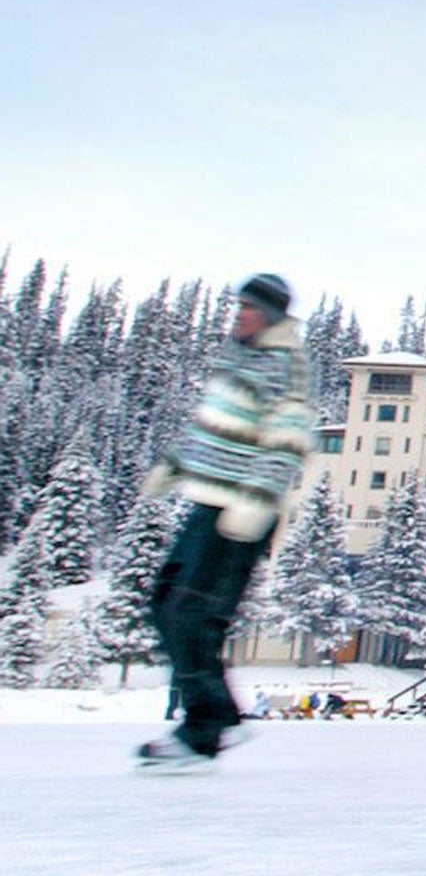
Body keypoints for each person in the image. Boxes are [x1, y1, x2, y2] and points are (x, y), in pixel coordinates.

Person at [136, 272, 316, 771]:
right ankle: (220, 718)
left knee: (191, 614)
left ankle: (204, 730)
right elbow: (211, 427)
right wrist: (174, 465)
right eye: (238, 306)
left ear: (272, 315)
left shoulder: (285, 364)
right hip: (208, 500)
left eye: (250, 308)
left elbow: (289, 437)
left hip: (242, 508)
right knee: (166, 604)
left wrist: (256, 501)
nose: (239, 314)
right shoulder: (239, 359)